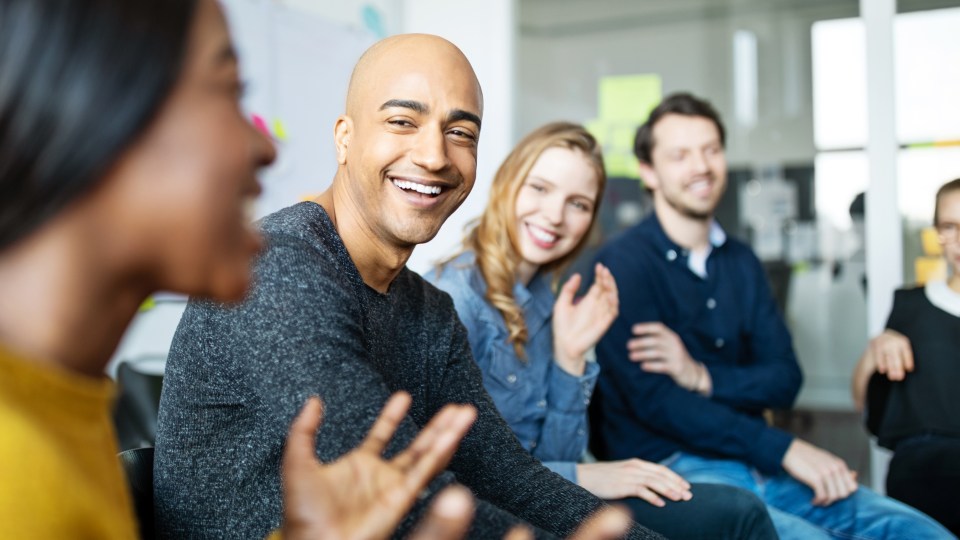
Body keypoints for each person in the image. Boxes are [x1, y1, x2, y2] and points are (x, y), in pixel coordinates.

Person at [0, 0, 488, 538]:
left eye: (461, 132)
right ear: (101, 122)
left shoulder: (65, 410)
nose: (265, 146)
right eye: (226, 91)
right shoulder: (16, 467)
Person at [154, 33, 661, 540]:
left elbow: (508, 477)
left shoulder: (429, 311)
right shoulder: (278, 266)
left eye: (460, 133)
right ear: (345, 137)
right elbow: (400, 490)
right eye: (403, 122)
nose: (435, 156)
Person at [591, 92, 954, 540]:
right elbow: (660, 405)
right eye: (679, 155)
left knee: (916, 530)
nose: (701, 166)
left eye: (711, 150)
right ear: (649, 171)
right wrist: (784, 448)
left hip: (755, 457)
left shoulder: (742, 262)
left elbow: (785, 379)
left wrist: (702, 376)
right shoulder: (624, 265)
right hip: (676, 467)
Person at [425, 121, 779, 540]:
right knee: (737, 516)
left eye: (578, 203)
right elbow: (453, 471)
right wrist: (587, 475)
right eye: (539, 188)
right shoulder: (453, 300)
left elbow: (554, 456)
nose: (555, 215)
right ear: (507, 184)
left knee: (739, 512)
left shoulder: (547, 300)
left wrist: (570, 359)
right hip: (490, 517)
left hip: (545, 500)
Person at [852, 177, 960, 536]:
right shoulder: (910, 307)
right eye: (949, 226)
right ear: (937, 233)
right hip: (924, 480)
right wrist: (875, 350)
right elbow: (863, 403)